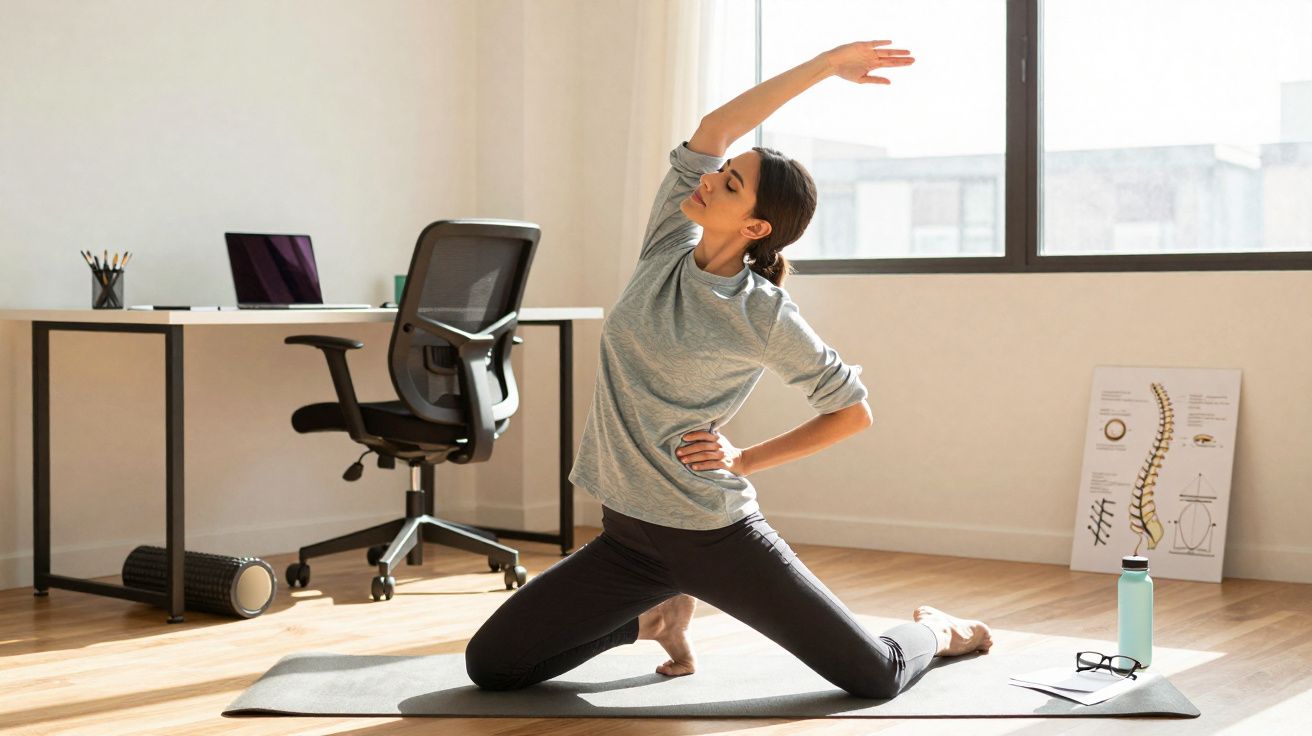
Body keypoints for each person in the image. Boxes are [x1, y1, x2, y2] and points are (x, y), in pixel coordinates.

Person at [465, 39, 992, 700]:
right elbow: (715, 131)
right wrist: (827, 67)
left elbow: (852, 411)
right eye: (722, 173)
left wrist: (743, 461)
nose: (710, 179)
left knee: (873, 676)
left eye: (731, 184)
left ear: (755, 227)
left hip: (713, 539)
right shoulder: (669, 239)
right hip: (628, 534)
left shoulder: (761, 313)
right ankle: (654, 617)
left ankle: (939, 632)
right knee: (494, 665)